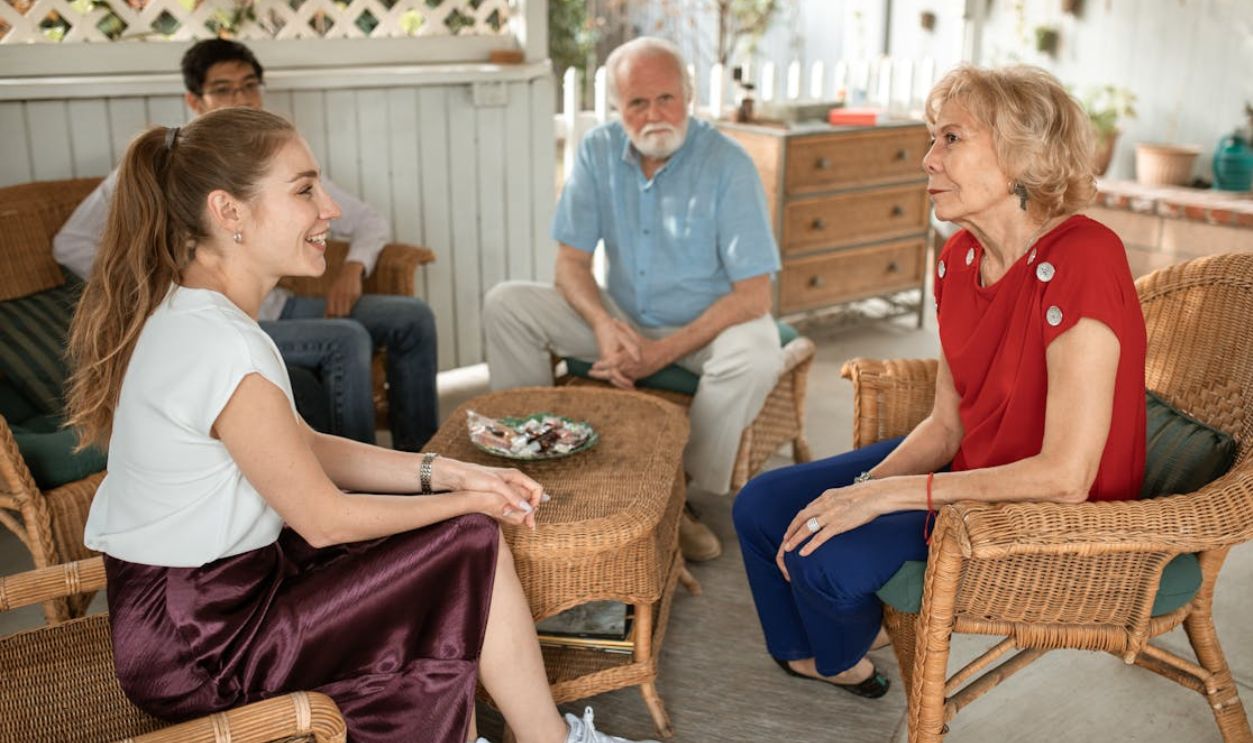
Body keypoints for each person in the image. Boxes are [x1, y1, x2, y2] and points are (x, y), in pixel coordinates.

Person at [65, 108, 657, 743]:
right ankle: (548, 739)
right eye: (304, 190)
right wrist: (466, 499)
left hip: (189, 612)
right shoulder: (219, 343)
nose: (330, 210)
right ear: (228, 212)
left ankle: (529, 733)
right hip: (204, 646)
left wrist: (451, 471)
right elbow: (323, 519)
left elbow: (304, 447)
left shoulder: (195, 316)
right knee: (466, 537)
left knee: (442, 536)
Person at [732, 65, 1147, 698]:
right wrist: (863, 488)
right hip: (973, 464)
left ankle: (843, 650)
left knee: (823, 559)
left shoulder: (1086, 258)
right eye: (933, 139)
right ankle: (814, 653)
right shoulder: (959, 258)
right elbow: (946, 424)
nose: (927, 159)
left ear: (1021, 154)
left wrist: (882, 499)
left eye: (951, 138)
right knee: (760, 506)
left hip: (1044, 512)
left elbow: (1067, 477)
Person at [54, 38, 438, 451]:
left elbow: (367, 220)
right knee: (346, 337)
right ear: (195, 100)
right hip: (235, 318)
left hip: (280, 304)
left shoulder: (276, 159)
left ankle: (421, 452)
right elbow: (70, 243)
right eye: (223, 88)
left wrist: (352, 268)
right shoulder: (172, 170)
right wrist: (158, 275)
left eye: (248, 85)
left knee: (410, 316)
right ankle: (370, 485)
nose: (240, 97)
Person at [483, 37, 784, 563]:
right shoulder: (599, 151)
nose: (653, 115)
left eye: (665, 98)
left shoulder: (728, 165)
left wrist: (658, 355)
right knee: (507, 303)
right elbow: (570, 264)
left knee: (756, 353)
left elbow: (754, 295)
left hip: (706, 328)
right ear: (618, 108)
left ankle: (680, 495)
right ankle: (528, 466)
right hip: (620, 318)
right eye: (636, 103)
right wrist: (601, 323)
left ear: (689, 96)